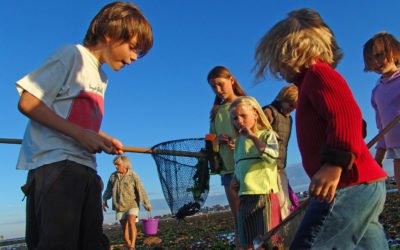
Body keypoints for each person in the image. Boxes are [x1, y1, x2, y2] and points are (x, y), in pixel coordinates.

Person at [16, 2, 153, 249]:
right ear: (109, 35)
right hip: (56, 168)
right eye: (133, 48)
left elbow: (75, 120)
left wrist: (101, 137)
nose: (134, 58)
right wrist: (81, 134)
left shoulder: (101, 77)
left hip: (85, 170)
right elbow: (28, 101)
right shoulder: (72, 55)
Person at [253, 8, 388, 249]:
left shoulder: (318, 75)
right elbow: (360, 125)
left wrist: (334, 163)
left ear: (295, 52)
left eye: (280, 62)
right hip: (366, 185)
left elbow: (348, 116)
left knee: (311, 243)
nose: (279, 70)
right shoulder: (309, 84)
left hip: (347, 185)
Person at [229, 96, 280, 250]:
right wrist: (234, 180)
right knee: (246, 242)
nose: (239, 121)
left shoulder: (266, 135)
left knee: (267, 242)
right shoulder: (238, 143)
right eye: (235, 118)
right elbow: (238, 166)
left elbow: (272, 157)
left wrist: (252, 136)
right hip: (245, 197)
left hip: (265, 195)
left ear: (255, 114)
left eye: (243, 116)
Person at [207, 65, 246, 247]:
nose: (218, 90)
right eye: (214, 87)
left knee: (256, 220)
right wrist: (218, 140)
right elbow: (209, 138)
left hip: (249, 168)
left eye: (221, 84)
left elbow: (261, 133)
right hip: (227, 170)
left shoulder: (247, 104)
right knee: (239, 221)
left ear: (232, 80)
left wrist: (238, 142)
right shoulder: (216, 112)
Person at [363, 32, 400, 192]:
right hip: (396, 151)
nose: (376, 62)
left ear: (394, 51)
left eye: (379, 55)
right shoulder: (377, 92)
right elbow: (382, 128)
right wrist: (377, 160)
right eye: (371, 60)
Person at [263, 84, 299, 220]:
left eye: (295, 106)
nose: (292, 109)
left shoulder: (289, 118)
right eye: (290, 104)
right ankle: (279, 236)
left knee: (285, 202)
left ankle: (284, 235)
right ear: (282, 98)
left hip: (280, 165)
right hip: (267, 167)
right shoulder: (268, 112)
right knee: (274, 204)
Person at [103, 156, 151, 250]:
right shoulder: (113, 176)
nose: (116, 167)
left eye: (118, 164)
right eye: (115, 165)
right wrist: (104, 199)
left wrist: (146, 204)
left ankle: (132, 245)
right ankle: (129, 245)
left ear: (125, 164)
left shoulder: (133, 175)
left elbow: (140, 189)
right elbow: (108, 190)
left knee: (131, 222)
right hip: (119, 206)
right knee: (124, 228)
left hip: (132, 204)